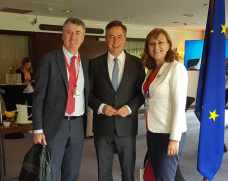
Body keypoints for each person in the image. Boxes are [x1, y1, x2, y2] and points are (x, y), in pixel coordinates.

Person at [32, 17, 89, 181]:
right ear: (62, 35)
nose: (73, 37)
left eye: (78, 33)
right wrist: (37, 129)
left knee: (72, 171)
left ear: (83, 37)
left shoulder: (86, 61)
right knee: (50, 171)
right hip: (55, 124)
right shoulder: (48, 59)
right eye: (69, 32)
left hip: (78, 124)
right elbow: (38, 97)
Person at [89, 20, 145, 181]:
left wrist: (129, 108)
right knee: (103, 174)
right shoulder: (94, 63)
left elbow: (141, 93)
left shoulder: (137, 64)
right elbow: (89, 94)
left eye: (119, 37)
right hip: (102, 128)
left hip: (126, 127)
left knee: (128, 174)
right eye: (111, 37)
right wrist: (101, 107)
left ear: (125, 39)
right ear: (106, 38)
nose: (115, 41)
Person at [141, 28, 188, 181]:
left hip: (169, 133)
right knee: (167, 173)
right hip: (153, 131)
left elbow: (179, 106)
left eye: (160, 42)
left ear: (168, 45)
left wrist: (175, 139)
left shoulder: (176, 68)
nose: (156, 47)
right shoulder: (151, 71)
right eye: (152, 43)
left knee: (164, 176)